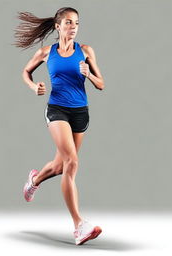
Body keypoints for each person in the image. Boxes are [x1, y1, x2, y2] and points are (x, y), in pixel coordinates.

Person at [13, 7, 105, 245]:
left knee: (60, 166)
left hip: (80, 112)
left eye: (76, 23)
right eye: (68, 22)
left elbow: (101, 84)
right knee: (72, 162)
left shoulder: (85, 51)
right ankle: (79, 226)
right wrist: (34, 87)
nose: (73, 27)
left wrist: (90, 75)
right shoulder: (46, 52)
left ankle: (34, 181)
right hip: (57, 109)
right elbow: (25, 71)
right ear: (58, 26)